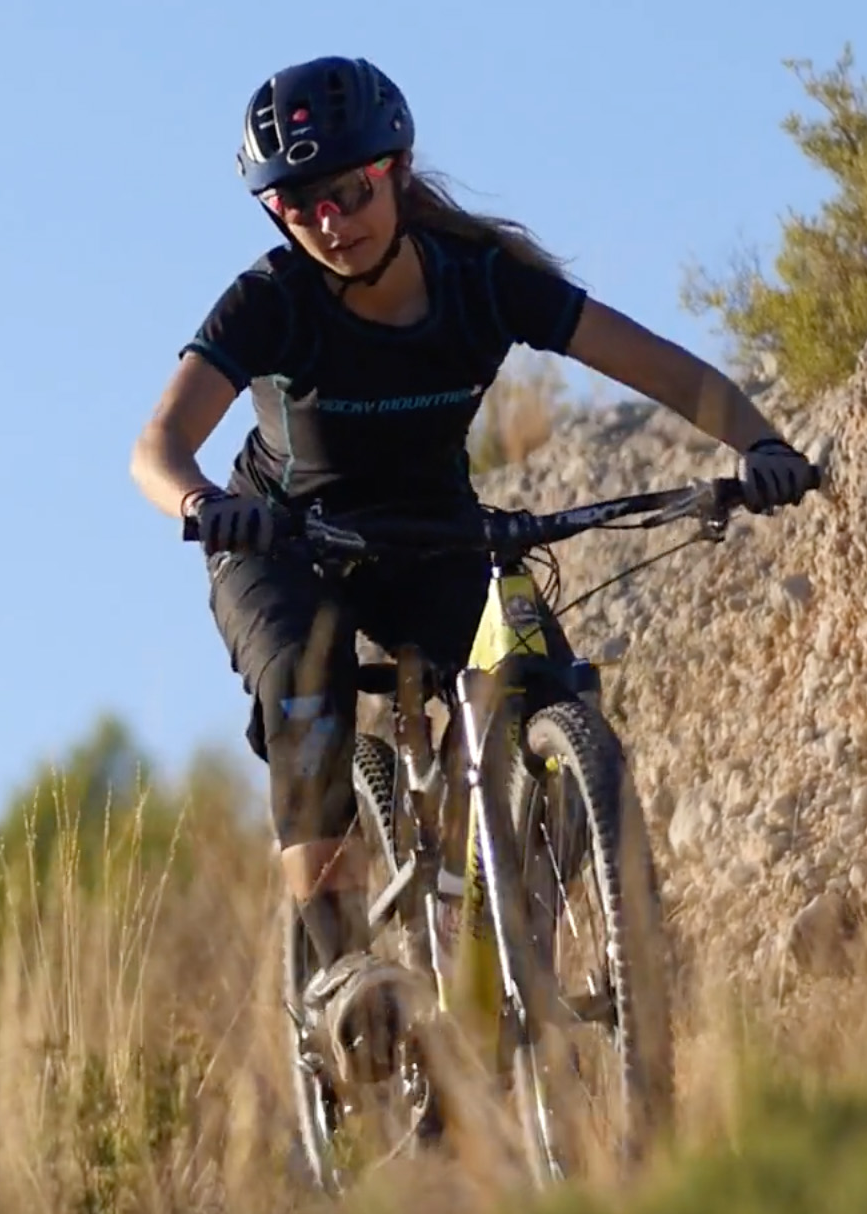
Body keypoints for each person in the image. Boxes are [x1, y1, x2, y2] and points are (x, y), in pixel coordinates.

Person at [127, 55, 819, 1084]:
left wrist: (760, 445)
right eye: (298, 203)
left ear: (396, 170)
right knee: (305, 686)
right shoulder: (270, 304)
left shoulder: (482, 284)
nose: (330, 219)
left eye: (352, 189)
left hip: (430, 529)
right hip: (282, 542)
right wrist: (202, 505)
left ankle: (505, 908)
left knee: (541, 672)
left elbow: (662, 365)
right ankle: (341, 967)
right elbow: (156, 446)